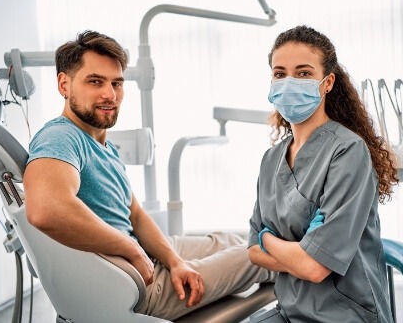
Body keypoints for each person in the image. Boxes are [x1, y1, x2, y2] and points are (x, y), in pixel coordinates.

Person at [23, 30, 276, 321]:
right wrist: (129, 247)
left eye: (116, 83)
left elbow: (137, 216)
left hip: (142, 258)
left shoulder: (103, 144)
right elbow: (46, 209)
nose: (110, 94)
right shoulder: (60, 137)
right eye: (95, 81)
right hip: (131, 285)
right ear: (64, 84)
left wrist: (175, 262)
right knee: (261, 254)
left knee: (234, 239)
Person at [247, 25, 399, 322]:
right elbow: (251, 251)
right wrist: (299, 250)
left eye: (303, 73)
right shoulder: (271, 159)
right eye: (280, 73)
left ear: (327, 82)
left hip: (343, 314)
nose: (289, 82)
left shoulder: (347, 152)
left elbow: (315, 268)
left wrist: (268, 239)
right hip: (290, 310)